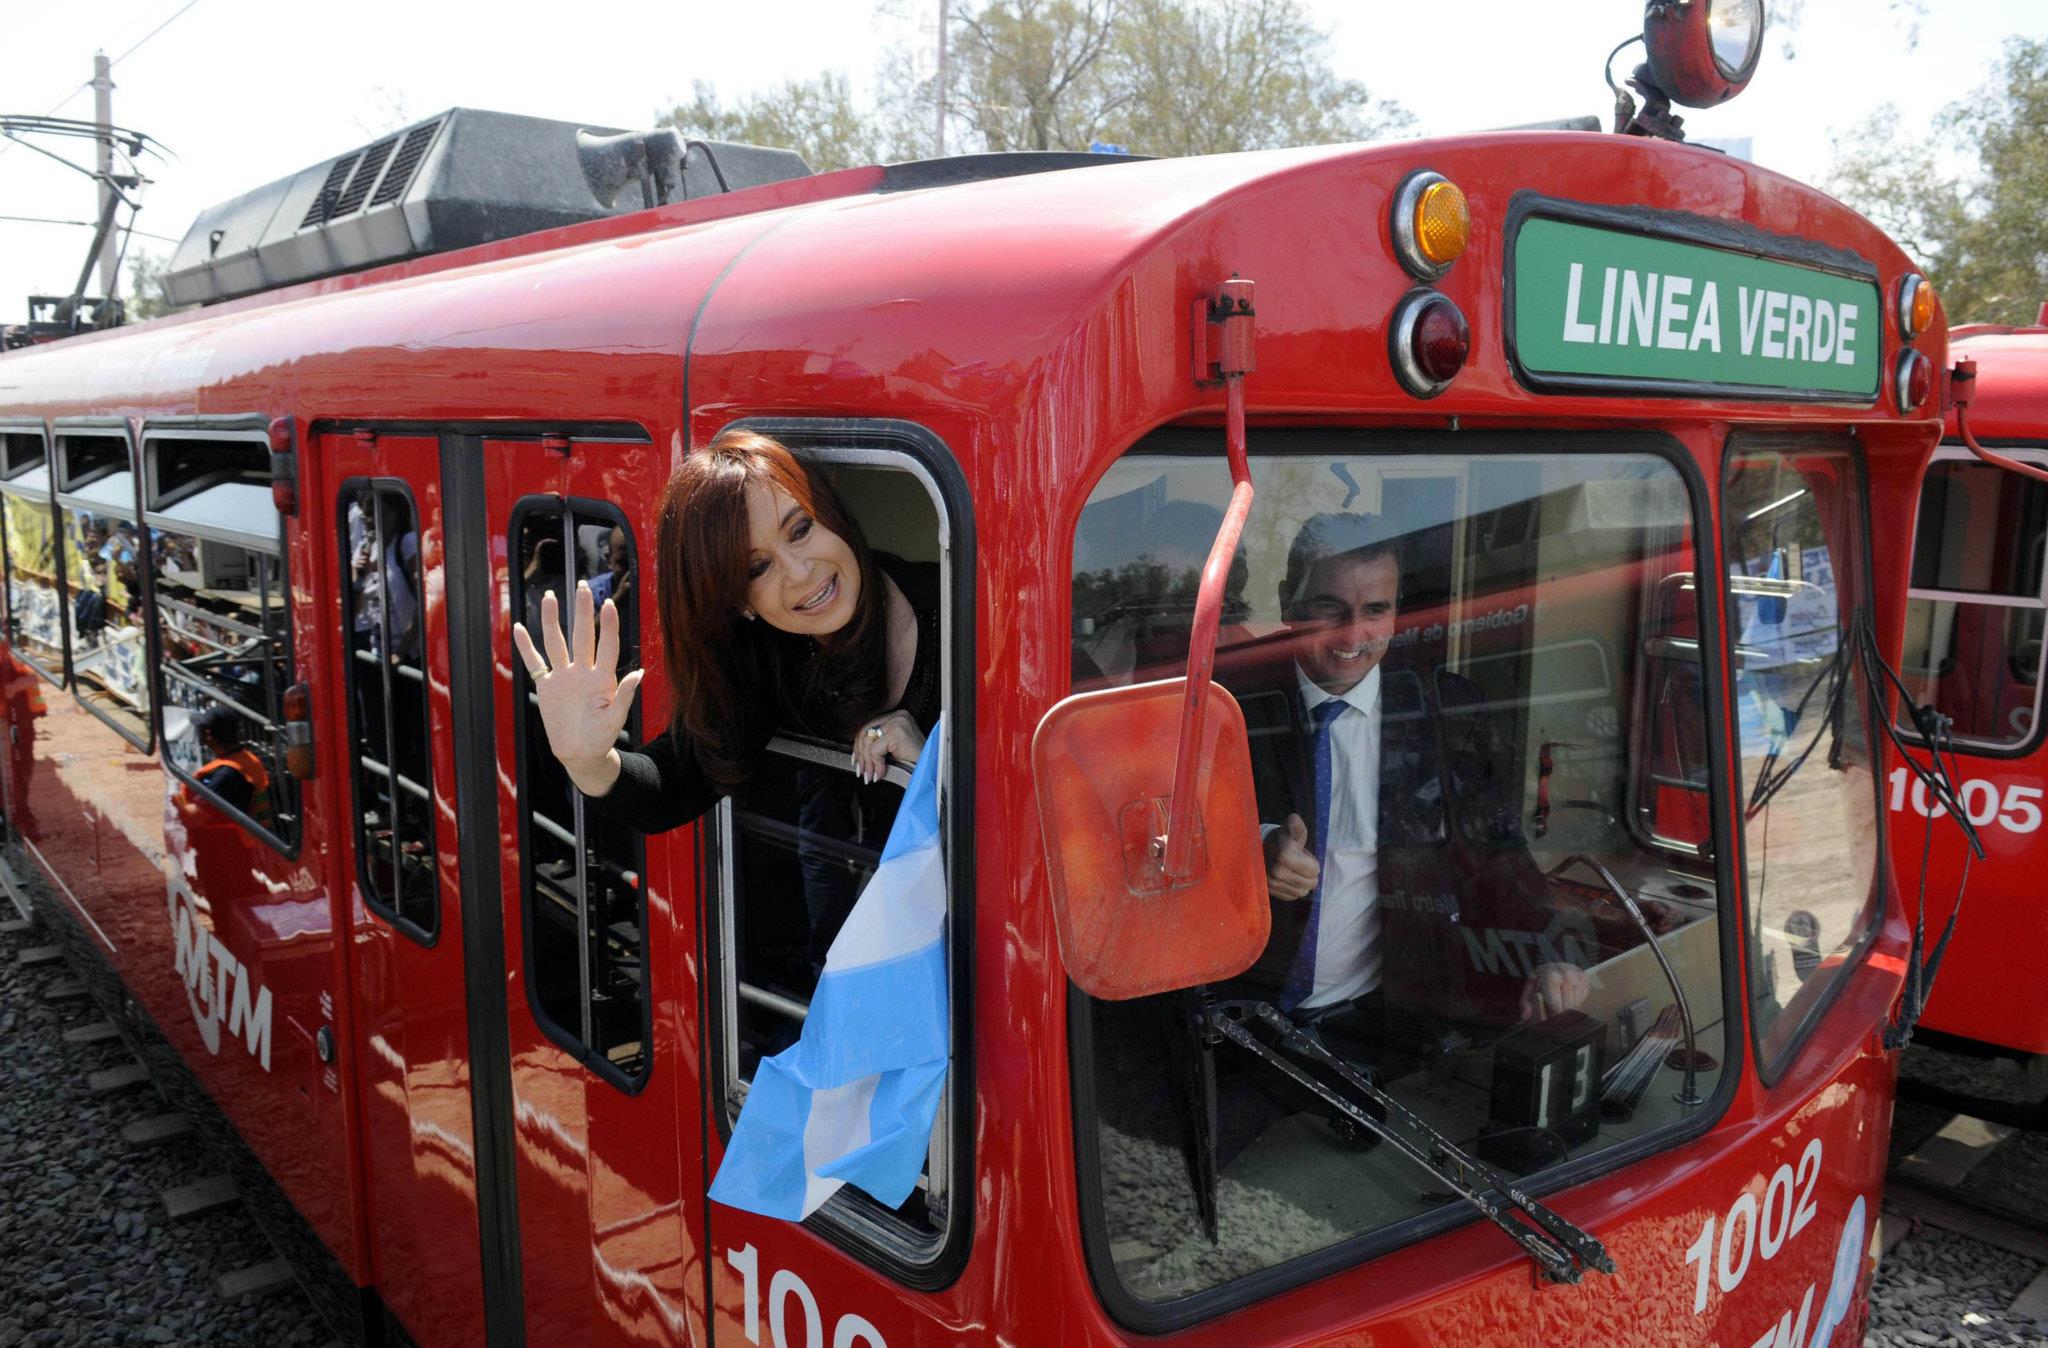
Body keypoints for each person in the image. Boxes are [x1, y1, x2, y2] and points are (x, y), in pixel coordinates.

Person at [1223, 512, 1590, 1067]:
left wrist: (1549, 955)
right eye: (1330, 607)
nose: (1353, 635)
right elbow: (1159, 836)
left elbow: (1497, 854)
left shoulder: (1446, 710)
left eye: (1376, 610)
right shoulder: (1226, 699)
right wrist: (1248, 849)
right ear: (1288, 602)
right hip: (1237, 1022)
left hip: (1387, 1024)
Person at [511, 425, 939, 841]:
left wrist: (933, 767)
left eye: (801, 529)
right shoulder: (771, 657)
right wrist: (587, 761)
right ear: (740, 603)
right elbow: (672, 784)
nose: (800, 572)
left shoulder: (959, 604)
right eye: (758, 568)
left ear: (832, 514)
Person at [189, 704, 269, 819]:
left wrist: (176, 803)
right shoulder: (247, 759)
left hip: (232, 836)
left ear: (209, 734)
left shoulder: (227, 774)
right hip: (248, 835)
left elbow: (195, 818)